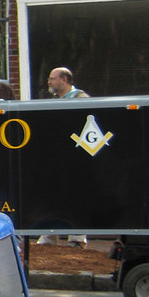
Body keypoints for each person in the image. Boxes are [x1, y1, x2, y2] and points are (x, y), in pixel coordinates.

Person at [37, 66, 90, 246]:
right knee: (52, 195)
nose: (49, 82)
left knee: (75, 196)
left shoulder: (82, 99)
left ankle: (77, 238)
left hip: (75, 158)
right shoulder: (52, 101)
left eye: (52, 79)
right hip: (56, 158)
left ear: (64, 80)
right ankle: (49, 236)